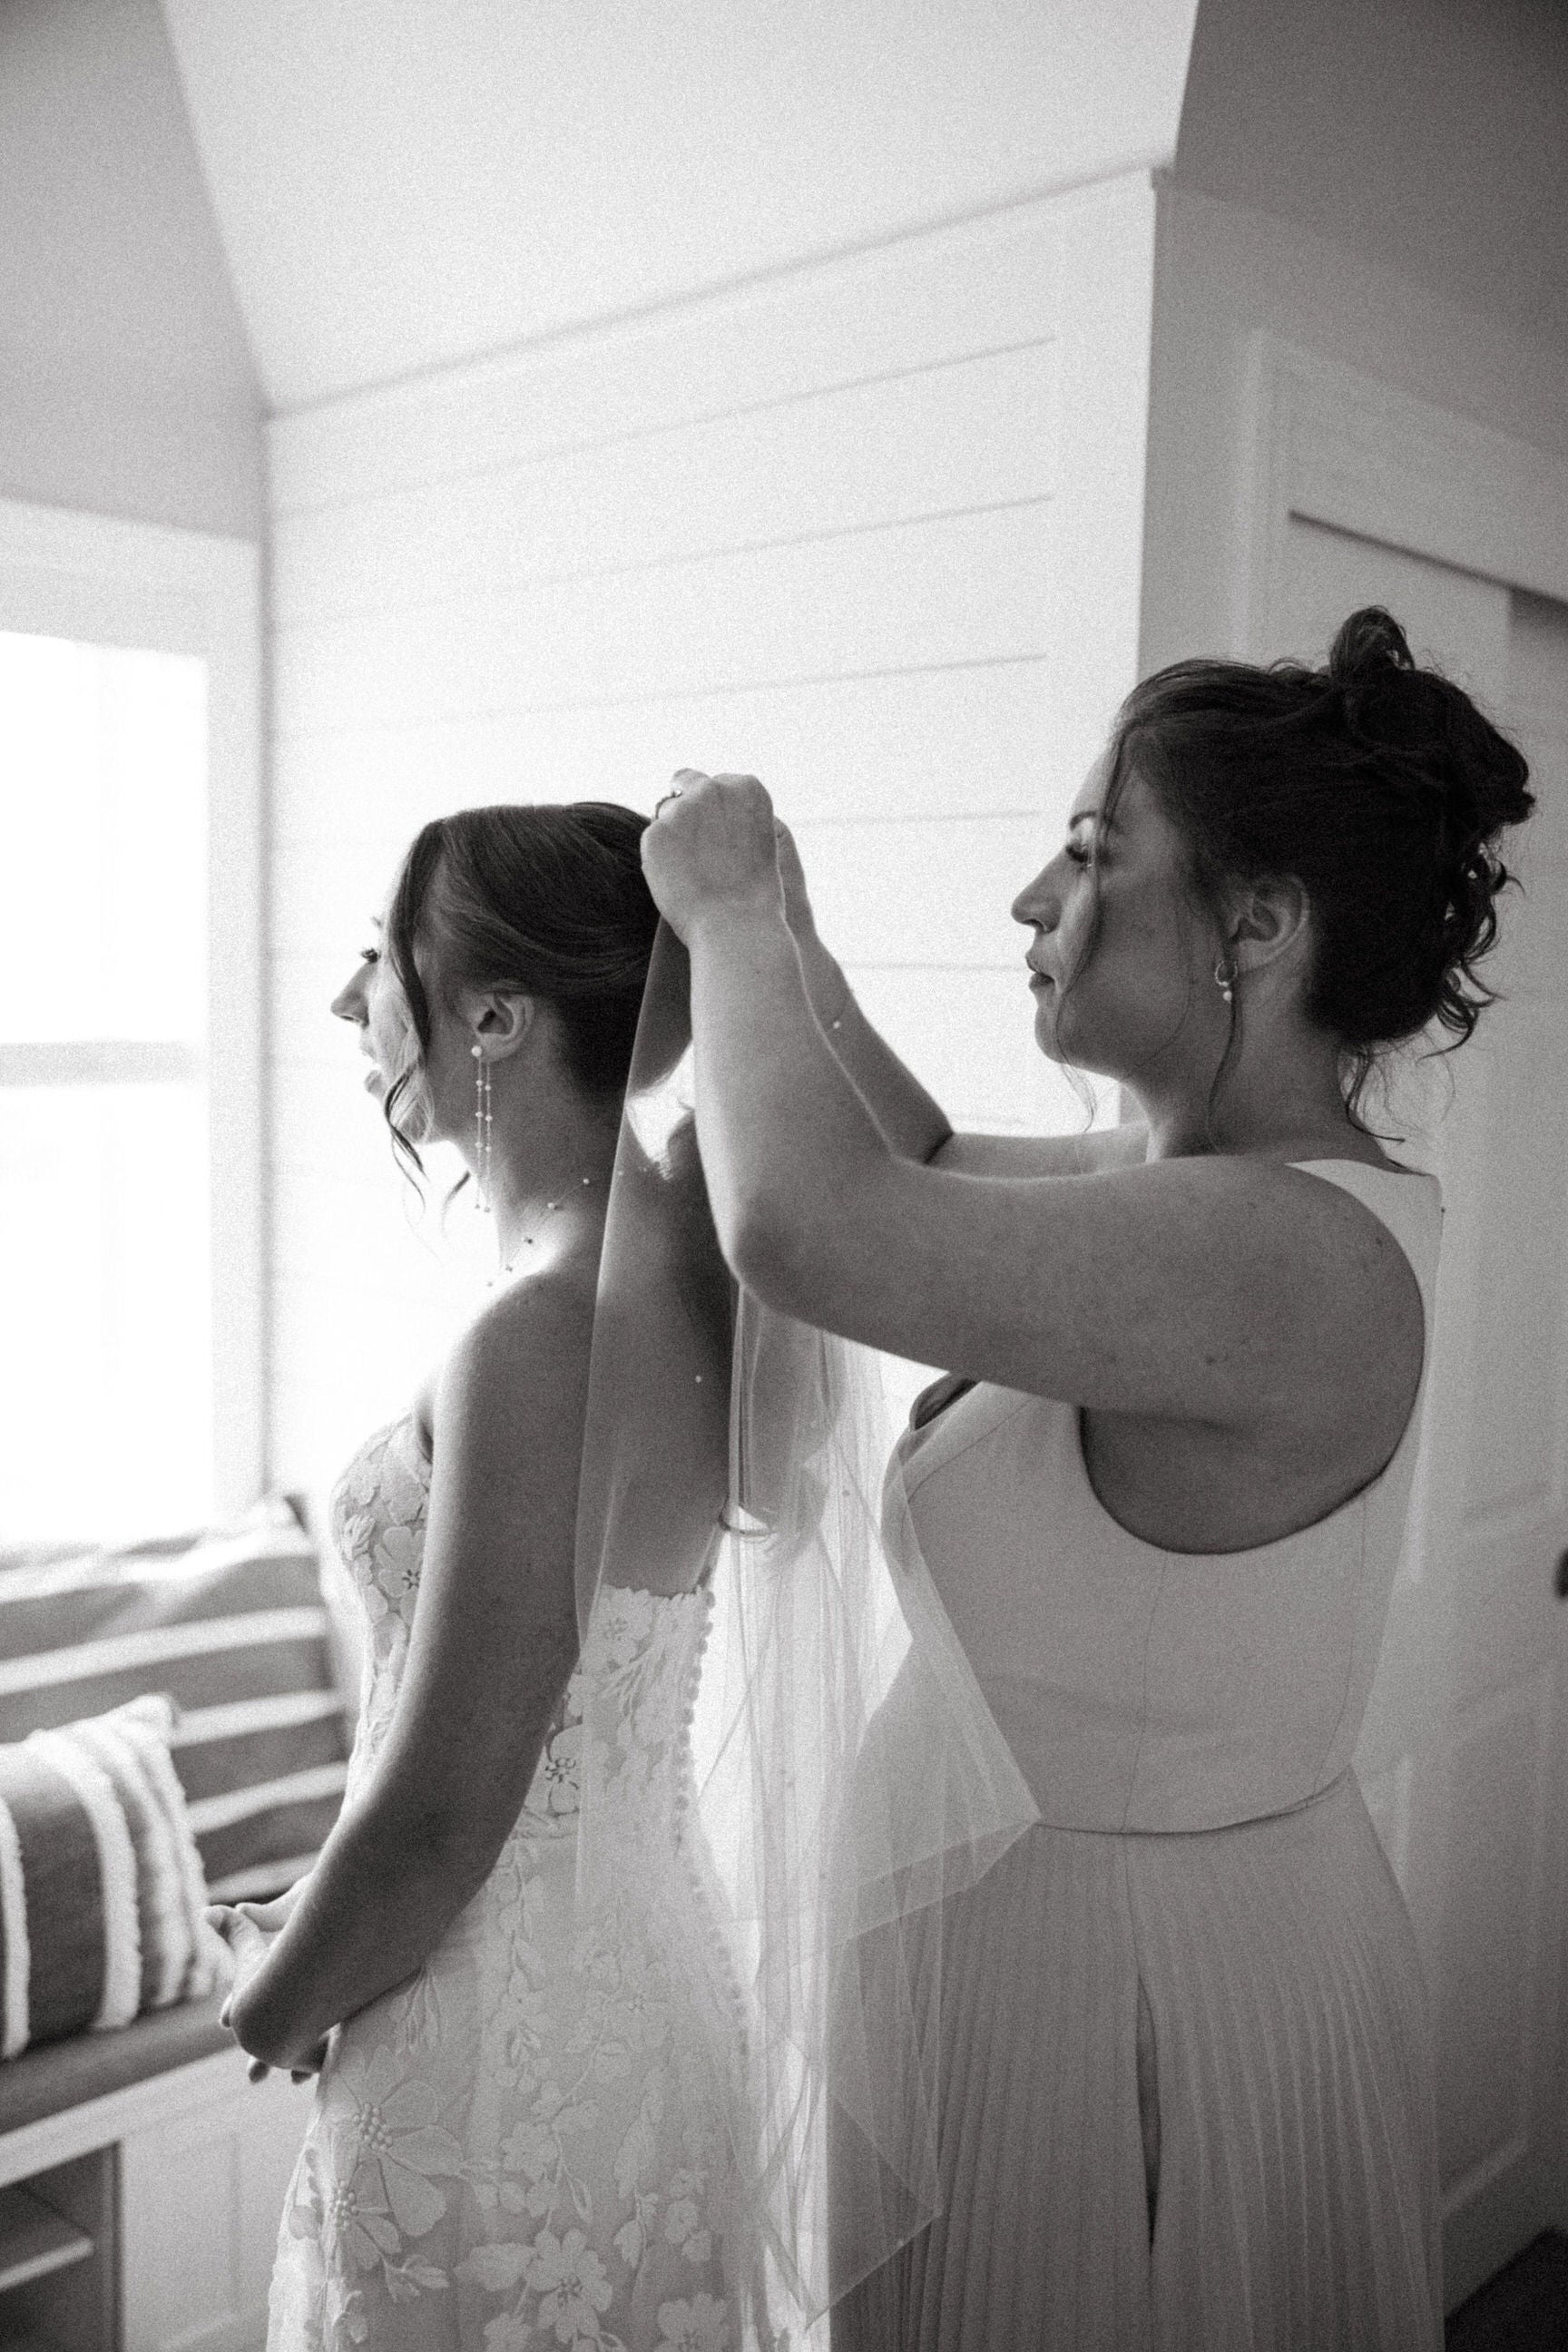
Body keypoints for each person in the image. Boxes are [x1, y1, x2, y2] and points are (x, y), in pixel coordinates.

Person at [640, 608, 1534, 2351]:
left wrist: (730, 917)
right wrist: (794, 942)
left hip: (1125, 1993)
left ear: (1257, 923)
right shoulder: (1206, 1192)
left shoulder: (1282, 1251)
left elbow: (813, 1226)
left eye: (1091, 852)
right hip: (1051, 1953)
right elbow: (919, 1158)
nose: (1032, 901)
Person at [207, 804, 763, 2352]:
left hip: (498, 2069)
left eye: (383, 962)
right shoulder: (689, 1284)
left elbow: (453, 1805)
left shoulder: (536, 1338)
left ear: (498, 1016)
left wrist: (277, 2001)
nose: (349, 1001)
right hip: (640, 2000)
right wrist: (319, 1906)